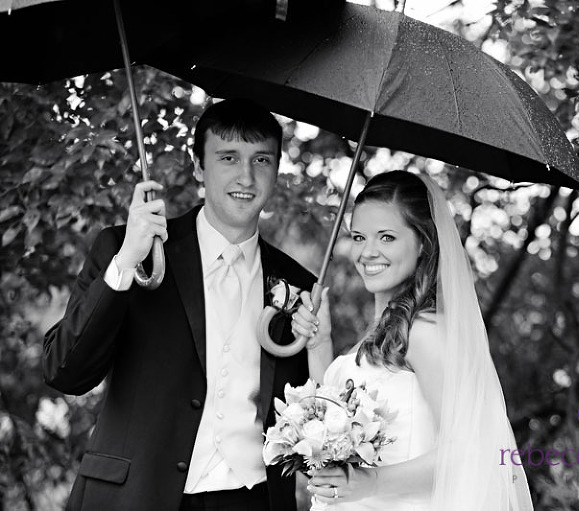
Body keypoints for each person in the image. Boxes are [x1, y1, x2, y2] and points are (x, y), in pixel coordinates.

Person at [42, 98, 316, 511]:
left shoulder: (299, 283)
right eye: (228, 158)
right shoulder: (131, 250)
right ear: (198, 167)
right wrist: (125, 262)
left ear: (277, 169)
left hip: (255, 500)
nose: (246, 176)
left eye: (261, 160)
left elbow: (309, 410)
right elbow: (65, 372)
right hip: (137, 497)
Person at [292, 170, 534, 511]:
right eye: (359, 237)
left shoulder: (425, 332)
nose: (368, 252)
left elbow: (469, 450)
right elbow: (332, 430)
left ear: (423, 243)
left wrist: (371, 482)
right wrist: (319, 343)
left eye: (386, 237)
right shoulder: (378, 334)